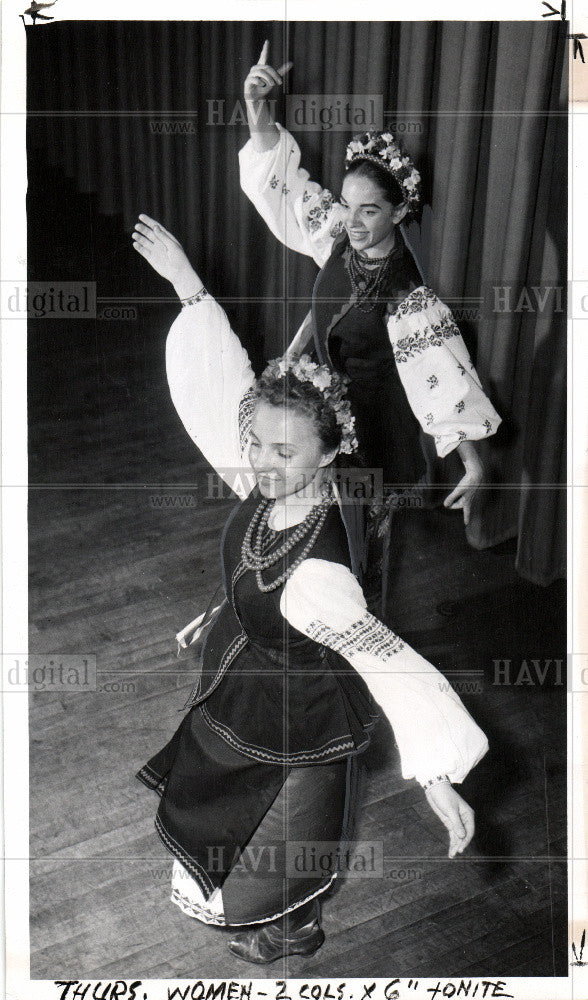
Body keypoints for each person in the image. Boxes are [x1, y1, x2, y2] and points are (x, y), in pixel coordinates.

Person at [132, 214, 488, 965]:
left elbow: (388, 662)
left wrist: (436, 776)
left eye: (282, 450)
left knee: (281, 835)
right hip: (245, 668)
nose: (260, 459)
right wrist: (190, 291)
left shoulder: (321, 580)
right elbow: (223, 394)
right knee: (229, 808)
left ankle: (293, 929)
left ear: (330, 453)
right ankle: (277, 918)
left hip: (296, 711)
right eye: (255, 441)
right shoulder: (275, 481)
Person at [240, 43, 502, 596]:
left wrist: (473, 464)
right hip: (324, 416)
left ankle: (364, 634)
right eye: (349, 205)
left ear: (400, 213)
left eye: (371, 210)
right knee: (317, 523)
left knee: (363, 544)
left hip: (376, 433)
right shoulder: (341, 235)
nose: (354, 222)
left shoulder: (408, 296)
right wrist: (256, 112)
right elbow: (290, 195)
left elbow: (441, 378)